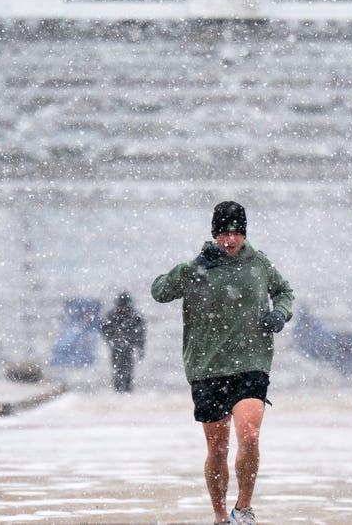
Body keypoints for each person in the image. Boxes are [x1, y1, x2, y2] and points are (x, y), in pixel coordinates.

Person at [151, 200, 294, 525]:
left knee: (250, 435)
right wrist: (192, 267)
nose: (230, 240)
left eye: (236, 233)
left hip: (251, 363)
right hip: (208, 367)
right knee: (218, 449)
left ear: (244, 233)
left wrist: (279, 314)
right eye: (224, 234)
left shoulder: (258, 264)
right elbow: (160, 292)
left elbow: (284, 291)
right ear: (214, 234)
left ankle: (243, 508)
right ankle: (220, 516)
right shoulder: (196, 268)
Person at [99, 291, 147, 392]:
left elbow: (141, 335)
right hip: (116, 348)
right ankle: (119, 392)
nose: (123, 309)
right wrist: (112, 340)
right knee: (117, 372)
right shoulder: (112, 316)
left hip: (128, 348)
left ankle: (126, 392)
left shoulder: (135, 317)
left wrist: (140, 349)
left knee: (128, 372)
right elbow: (104, 330)